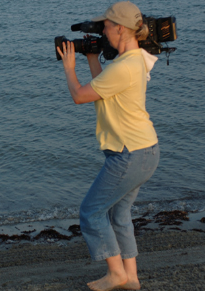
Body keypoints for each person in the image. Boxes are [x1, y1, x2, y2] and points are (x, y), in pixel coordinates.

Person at [56, 2, 159, 290]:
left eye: (105, 25)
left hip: (128, 154)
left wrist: (68, 67)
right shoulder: (135, 59)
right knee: (119, 213)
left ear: (120, 28)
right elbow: (104, 87)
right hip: (145, 150)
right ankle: (131, 277)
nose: (102, 30)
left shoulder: (124, 66)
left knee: (91, 212)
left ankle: (116, 274)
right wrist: (91, 57)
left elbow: (80, 95)